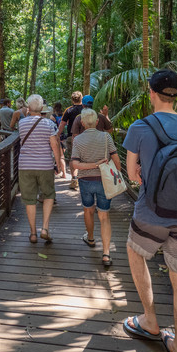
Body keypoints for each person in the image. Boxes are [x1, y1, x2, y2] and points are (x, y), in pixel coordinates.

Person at [122, 69, 177, 352]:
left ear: (151, 92)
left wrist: (145, 174)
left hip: (151, 211)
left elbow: (132, 175)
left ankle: (150, 320)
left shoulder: (141, 126)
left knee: (134, 252)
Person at [70, 109, 121, 267]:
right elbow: (115, 157)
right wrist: (118, 175)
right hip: (104, 180)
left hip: (85, 180)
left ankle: (90, 238)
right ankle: (106, 253)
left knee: (88, 210)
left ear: (83, 123)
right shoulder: (106, 137)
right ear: (97, 122)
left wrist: (91, 166)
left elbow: (75, 164)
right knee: (104, 216)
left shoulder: (77, 140)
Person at [18, 94, 62, 244]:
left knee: (30, 200)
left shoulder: (22, 124)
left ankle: (32, 233)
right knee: (49, 195)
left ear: (28, 108)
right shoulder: (49, 124)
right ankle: (44, 228)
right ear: (43, 108)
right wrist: (59, 164)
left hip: (25, 166)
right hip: (45, 165)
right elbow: (54, 145)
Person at [57, 91, 83, 189]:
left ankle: (74, 179)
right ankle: (83, 178)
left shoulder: (68, 110)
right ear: (81, 99)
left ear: (72, 99)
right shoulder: (86, 110)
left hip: (72, 137)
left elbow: (62, 124)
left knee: (74, 157)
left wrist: (58, 135)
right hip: (85, 137)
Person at [49, 102, 67, 178]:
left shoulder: (53, 116)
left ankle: (60, 171)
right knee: (62, 156)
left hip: (57, 137)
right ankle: (63, 173)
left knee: (58, 156)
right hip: (65, 137)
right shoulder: (64, 115)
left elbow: (51, 127)